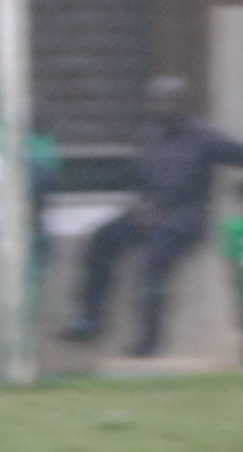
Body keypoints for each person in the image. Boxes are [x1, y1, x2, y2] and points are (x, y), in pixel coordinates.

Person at [70, 75, 243, 359]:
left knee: (155, 259)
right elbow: (134, 179)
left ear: (185, 103)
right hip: (147, 211)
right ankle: (91, 320)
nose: (159, 106)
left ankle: (149, 339)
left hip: (184, 219)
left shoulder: (206, 138)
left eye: (167, 100)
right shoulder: (148, 135)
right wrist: (138, 203)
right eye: (154, 100)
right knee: (102, 239)